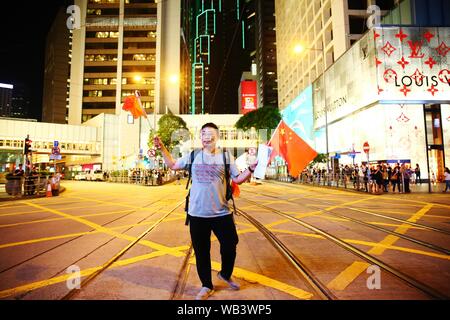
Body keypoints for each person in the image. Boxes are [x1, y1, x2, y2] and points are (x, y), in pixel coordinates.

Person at [153, 123, 257, 300]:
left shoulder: (226, 157)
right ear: (200, 137)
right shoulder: (193, 156)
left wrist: (251, 168)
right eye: (203, 134)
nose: (206, 137)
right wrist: (162, 147)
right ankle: (206, 285)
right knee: (202, 251)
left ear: (217, 137)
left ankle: (225, 273)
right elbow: (172, 164)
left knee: (230, 244)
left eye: (210, 134)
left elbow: (238, 179)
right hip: (197, 214)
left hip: (222, 213)